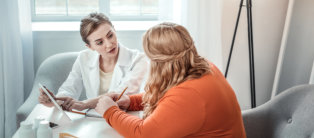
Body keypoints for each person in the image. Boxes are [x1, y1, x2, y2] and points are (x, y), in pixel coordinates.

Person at [95, 22, 246, 138]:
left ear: (160, 62)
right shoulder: (204, 67)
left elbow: (143, 134)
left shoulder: (189, 94)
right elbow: (169, 101)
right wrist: (130, 101)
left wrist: (110, 112)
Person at [38, 12, 148, 111]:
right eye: (100, 42)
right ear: (90, 46)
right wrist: (55, 101)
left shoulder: (138, 60)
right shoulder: (83, 58)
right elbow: (69, 89)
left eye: (110, 35)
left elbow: (118, 96)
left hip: (123, 117)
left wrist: (84, 104)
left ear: (114, 29)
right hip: (92, 118)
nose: (109, 44)